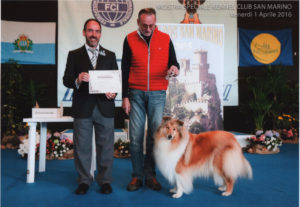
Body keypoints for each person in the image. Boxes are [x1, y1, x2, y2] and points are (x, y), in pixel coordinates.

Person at [121, 8, 180, 191]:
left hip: (157, 94)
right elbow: (124, 68)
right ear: (138, 23)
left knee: (154, 138)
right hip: (135, 94)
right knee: (136, 138)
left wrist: (175, 68)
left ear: (155, 23)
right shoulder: (129, 39)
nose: (148, 29)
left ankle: (150, 175)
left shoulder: (165, 38)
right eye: (144, 25)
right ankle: (137, 176)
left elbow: (174, 62)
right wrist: (124, 96)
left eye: (151, 25)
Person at [63, 19, 118, 195]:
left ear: (100, 33)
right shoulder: (74, 54)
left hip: (105, 107)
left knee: (106, 147)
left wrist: (113, 93)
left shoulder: (110, 55)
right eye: (90, 31)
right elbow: (66, 80)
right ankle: (84, 181)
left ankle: (105, 181)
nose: (94, 34)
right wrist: (77, 80)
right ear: (84, 32)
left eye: (97, 31)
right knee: (82, 147)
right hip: (82, 107)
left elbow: (115, 83)